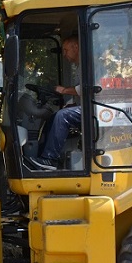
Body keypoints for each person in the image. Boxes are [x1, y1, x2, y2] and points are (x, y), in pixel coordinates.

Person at [29, 35, 82, 170]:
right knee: (53, 116)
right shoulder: (79, 66)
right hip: (85, 108)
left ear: (75, 47)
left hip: (95, 110)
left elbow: (87, 88)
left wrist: (64, 90)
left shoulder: (90, 64)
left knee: (62, 116)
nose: (64, 55)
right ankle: (42, 157)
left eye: (66, 50)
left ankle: (50, 159)